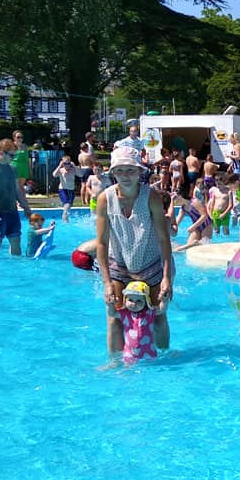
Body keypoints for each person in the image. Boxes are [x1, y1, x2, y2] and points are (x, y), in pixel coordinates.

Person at [96, 146, 173, 353]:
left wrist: (167, 278)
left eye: (130, 170)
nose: (125, 176)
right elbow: (102, 243)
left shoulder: (151, 197)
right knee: (114, 318)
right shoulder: (105, 198)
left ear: (140, 171)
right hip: (119, 265)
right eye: (119, 170)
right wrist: (106, 283)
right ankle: (115, 365)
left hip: (150, 264)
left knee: (158, 316)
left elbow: (164, 239)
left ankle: (164, 359)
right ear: (112, 173)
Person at [0, 138, 34, 258]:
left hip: (11, 211)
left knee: (16, 240)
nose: (13, 158)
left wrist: (26, 207)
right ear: (1, 152)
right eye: (11, 155)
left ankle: (14, 270)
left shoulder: (12, 168)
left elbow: (16, 190)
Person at [114, 280, 164, 365]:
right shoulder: (125, 314)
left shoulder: (149, 313)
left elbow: (162, 310)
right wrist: (110, 304)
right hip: (130, 354)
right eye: (130, 300)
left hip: (149, 352)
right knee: (127, 373)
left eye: (139, 301)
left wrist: (164, 300)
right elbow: (111, 313)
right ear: (125, 300)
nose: (134, 304)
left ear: (146, 302)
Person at [52, 155, 79, 222]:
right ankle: (64, 216)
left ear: (71, 163)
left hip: (71, 190)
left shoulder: (73, 170)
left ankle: (65, 217)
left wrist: (75, 166)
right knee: (67, 203)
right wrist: (59, 166)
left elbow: (81, 174)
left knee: (69, 205)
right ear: (62, 164)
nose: (67, 165)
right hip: (63, 190)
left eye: (68, 163)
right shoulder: (61, 170)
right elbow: (54, 175)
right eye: (65, 163)